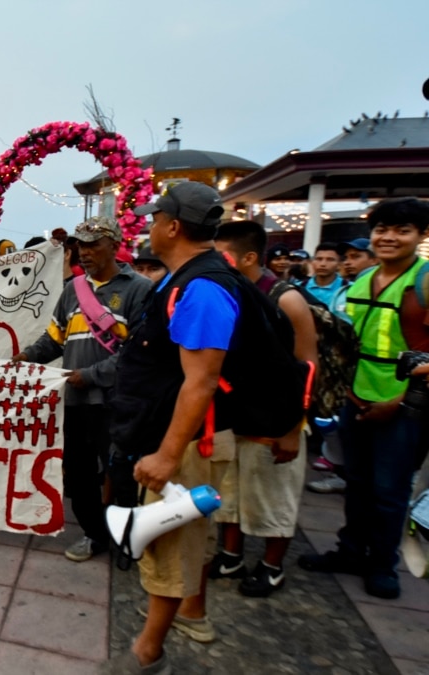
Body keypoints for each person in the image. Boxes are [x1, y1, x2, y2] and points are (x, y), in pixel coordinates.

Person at [104, 182, 237, 674]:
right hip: (176, 434)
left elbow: (200, 383)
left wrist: (165, 455)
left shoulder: (200, 289)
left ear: (174, 227)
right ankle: (189, 613)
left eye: (155, 217)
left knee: (161, 540)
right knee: (188, 541)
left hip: (180, 441)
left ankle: (147, 654)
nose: (150, 225)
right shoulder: (184, 280)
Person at [298, 197, 429, 600]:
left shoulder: (423, 281)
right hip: (354, 396)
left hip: (405, 403)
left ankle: (383, 563)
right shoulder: (362, 279)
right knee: (356, 482)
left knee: (390, 489)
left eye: (401, 230)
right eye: (382, 229)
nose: (388, 237)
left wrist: (402, 399)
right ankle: (351, 550)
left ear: (421, 236)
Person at [13, 216, 152, 563]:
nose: (84, 252)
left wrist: (91, 374)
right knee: (77, 474)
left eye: (93, 244)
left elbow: (137, 354)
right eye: (81, 245)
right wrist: (29, 355)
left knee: (121, 475)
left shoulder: (139, 290)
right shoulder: (73, 290)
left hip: (117, 403)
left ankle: (127, 542)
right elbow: (55, 337)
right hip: (75, 402)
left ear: (114, 246)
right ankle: (94, 535)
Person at [211, 221, 318, 598]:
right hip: (234, 415)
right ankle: (231, 555)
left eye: (221, 255)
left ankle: (272, 567)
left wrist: (291, 428)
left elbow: (307, 366)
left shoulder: (285, 299)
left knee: (275, 498)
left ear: (250, 257)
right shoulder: (226, 293)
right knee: (230, 494)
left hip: (275, 420)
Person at [304, 242, 344, 306]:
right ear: (312, 262)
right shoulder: (300, 287)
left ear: (339, 264)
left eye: (330, 260)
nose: (323, 264)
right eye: (319, 259)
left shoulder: (349, 288)